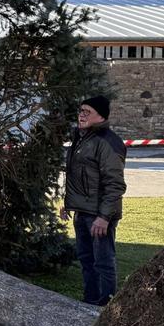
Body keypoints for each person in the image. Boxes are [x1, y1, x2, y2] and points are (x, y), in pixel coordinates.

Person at [61, 95, 127, 306]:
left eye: (87, 112)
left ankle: (105, 306)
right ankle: (89, 302)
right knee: (86, 261)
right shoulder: (81, 138)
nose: (81, 115)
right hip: (82, 212)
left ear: (101, 116)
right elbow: (79, 176)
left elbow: (115, 184)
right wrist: (68, 203)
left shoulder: (108, 142)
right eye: (80, 111)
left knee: (103, 262)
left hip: (99, 215)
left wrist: (104, 217)